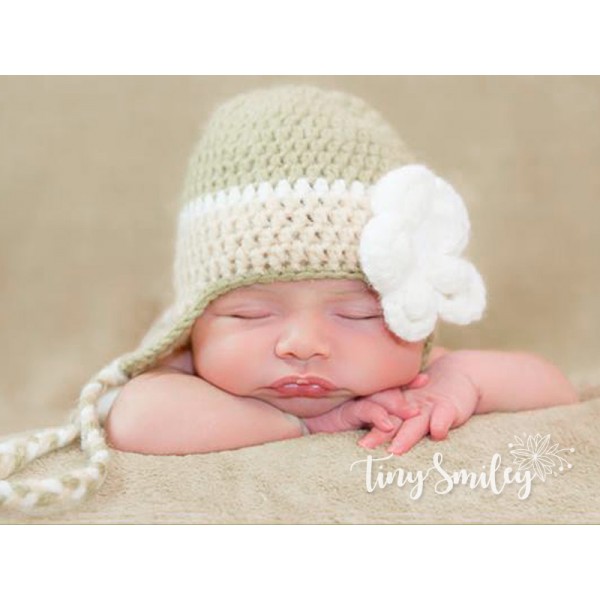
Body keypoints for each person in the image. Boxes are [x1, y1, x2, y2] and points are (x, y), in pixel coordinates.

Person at [0, 84, 578, 514]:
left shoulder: (418, 372)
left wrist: (462, 381)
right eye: (249, 313)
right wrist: (308, 424)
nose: (303, 344)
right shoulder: (184, 369)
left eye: (357, 312)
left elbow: (554, 387)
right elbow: (136, 419)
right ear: (194, 321)